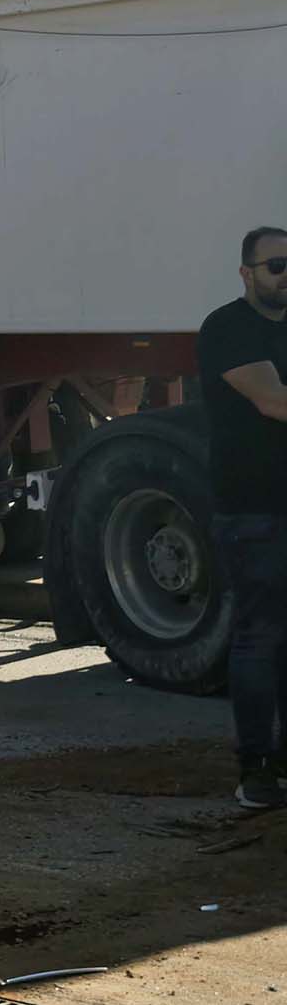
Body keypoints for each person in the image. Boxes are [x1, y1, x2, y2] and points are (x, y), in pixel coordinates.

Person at [198, 225, 287, 810]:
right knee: (261, 637)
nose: (286, 274)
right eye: (276, 264)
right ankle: (255, 771)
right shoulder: (228, 327)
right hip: (255, 509)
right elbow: (275, 402)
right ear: (246, 272)